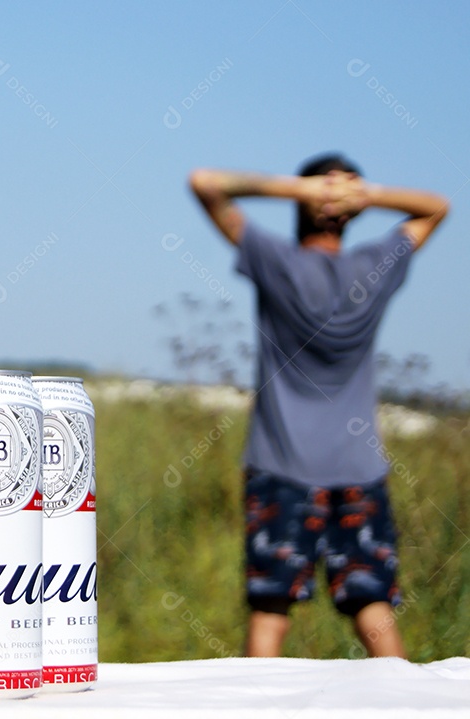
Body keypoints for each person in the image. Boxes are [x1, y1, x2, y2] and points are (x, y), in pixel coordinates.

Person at [188, 154, 448, 658]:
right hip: (359, 468)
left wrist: (303, 189)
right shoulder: (375, 266)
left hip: (279, 466)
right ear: (349, 215)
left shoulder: (274, 260)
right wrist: (365, 195)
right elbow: (436, 208)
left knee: (270, 611)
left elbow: (205, 183)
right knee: (373, 609)